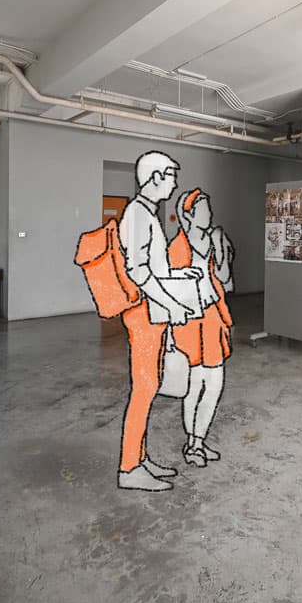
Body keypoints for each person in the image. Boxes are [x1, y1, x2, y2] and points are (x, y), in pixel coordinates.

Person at [116, 151, 203, 492]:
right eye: (171, 175)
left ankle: (140, 458)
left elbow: (154, 269)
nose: (175, 182)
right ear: (154, 177)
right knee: (144, 390)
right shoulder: (137, 215)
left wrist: (180, 273)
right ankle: (129, 468)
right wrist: (172, 304)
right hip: (144, 316)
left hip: (153, 315)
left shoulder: (147, 214)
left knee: (148, 388)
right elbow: (138, 272)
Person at [169, 188, 234, 467]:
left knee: (215, 383)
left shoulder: (211, 240)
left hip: (212, 319)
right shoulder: (177, 247)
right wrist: (170, 333)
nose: (209, 215)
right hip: (189, 324)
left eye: (209, 209)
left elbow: (224, 278)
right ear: (189, 215)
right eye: (203, 210)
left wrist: (222, 250)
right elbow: (170, 293)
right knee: (194, 386)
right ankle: (192, 444)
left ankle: (199, 439)